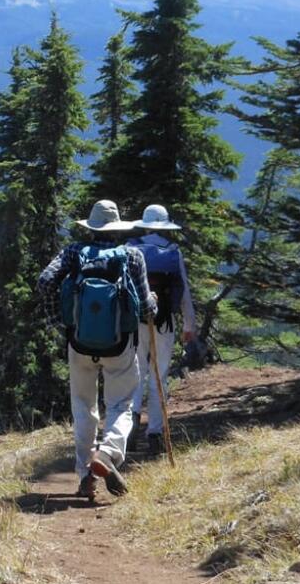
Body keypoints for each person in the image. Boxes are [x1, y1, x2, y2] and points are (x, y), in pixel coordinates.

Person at [37, 200, 157, 500]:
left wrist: (59, 322)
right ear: (116, 228)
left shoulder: (73, 253)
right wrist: (153, 301)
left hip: (79, 343)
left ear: (90, 227)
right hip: (120, 346)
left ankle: (84, 476)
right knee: (123, 404)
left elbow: (44, 281)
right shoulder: (132, 256)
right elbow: (144, 308)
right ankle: (108, 453)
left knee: (83, 407)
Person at [128, 204, 196, 457]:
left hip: (135, 321)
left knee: (135, 372)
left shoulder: (130, 248)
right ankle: (155, 433)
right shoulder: (172, 251)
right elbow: (184, 291)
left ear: (144, 224)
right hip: (164, 320)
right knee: (159, 375)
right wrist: (189, 325)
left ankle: (131, 424)